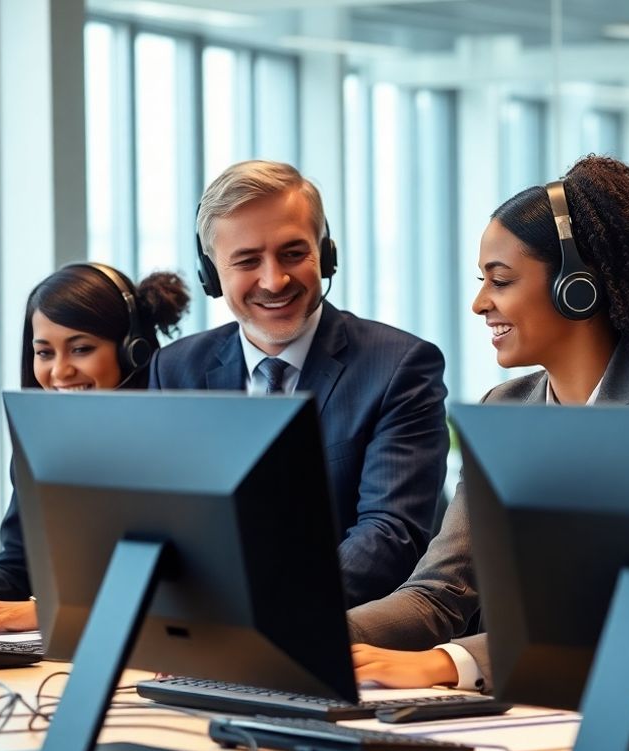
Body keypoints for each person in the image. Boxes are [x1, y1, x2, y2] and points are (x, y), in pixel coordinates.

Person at [349, 155, 629, 692]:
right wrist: (309, 632)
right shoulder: (505, 409)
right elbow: (437, 593)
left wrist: (451, 662)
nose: (480, 303)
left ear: (578, 286)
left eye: (500, 281)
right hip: (521, 706)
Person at [148, 160, 449, 607]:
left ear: (325, 254)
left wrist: (267, 612)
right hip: (213, 638)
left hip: (350, 636)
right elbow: (163, 523)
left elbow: (390, 533)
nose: (274, 281)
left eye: (293, 253)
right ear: (211, 275)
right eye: (248, 261)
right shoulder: (175, 371)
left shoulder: (399, 367)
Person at [0, 263, 190, 635]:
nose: (60, 372)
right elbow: (17, 570)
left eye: (80, 349)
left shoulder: (176, 446)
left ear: (133, 350)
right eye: (44, 353)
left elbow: (184, 588)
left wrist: (45, 612)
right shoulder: (43, 448)